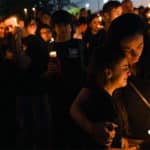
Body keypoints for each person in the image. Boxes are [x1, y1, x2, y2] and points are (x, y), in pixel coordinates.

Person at [70, 46, 132, 149]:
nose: (129, 73)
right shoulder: (103, 104)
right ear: (108, 73)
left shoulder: (97, 93)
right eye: (125, 68)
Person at [106, 13, 150, 142]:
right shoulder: (108, 69)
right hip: (127, 138)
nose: (136, 54)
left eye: (139, 46)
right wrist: (92, 128)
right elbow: (77, 107)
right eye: (127, 49)